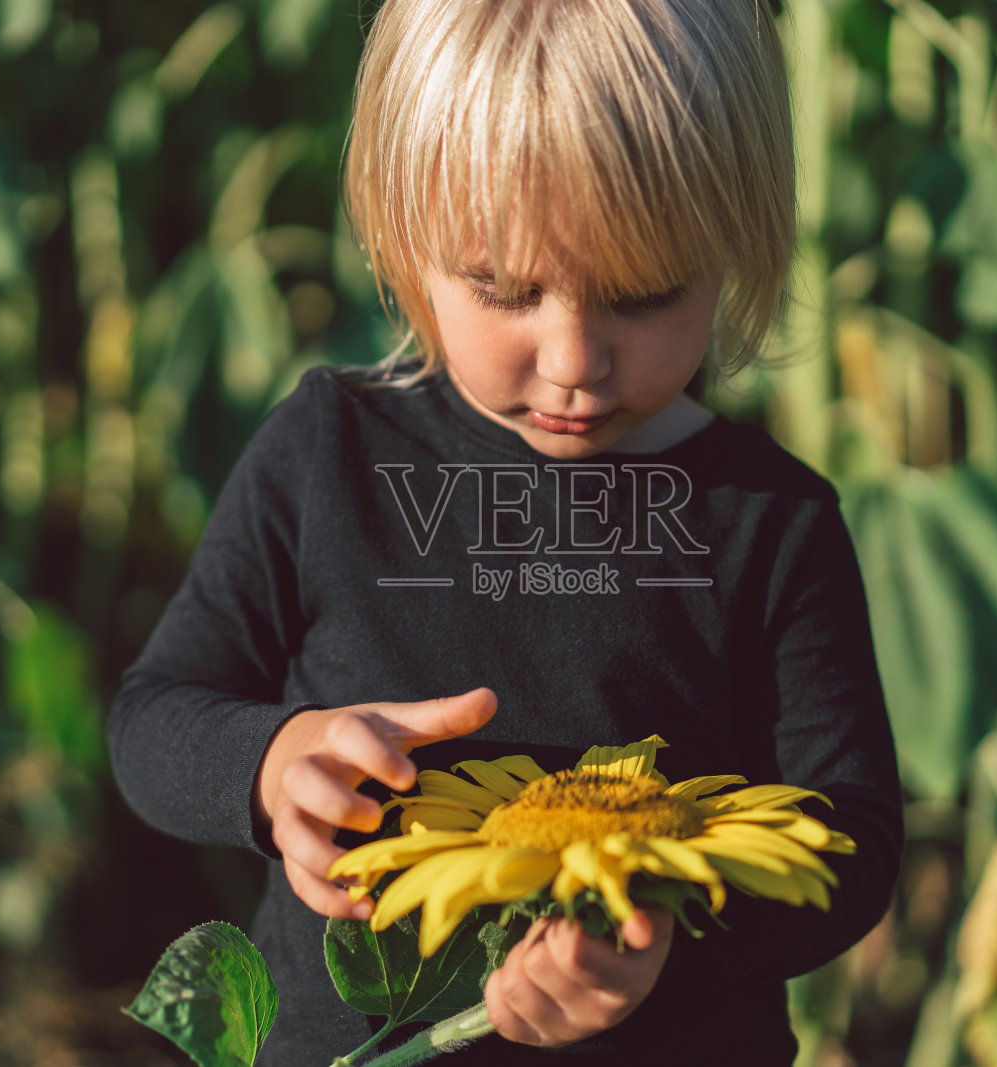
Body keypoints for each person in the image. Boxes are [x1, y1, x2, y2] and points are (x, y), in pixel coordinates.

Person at [108, 0, 902, 1063]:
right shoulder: (326, 455)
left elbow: (848, 835)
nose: (574, 356)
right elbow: (155, 715)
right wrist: (268, 762)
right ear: (404, 238)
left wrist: (670, 935)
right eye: (504, 288)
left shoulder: (771, 522)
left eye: (645, 294)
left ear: (736, 239)